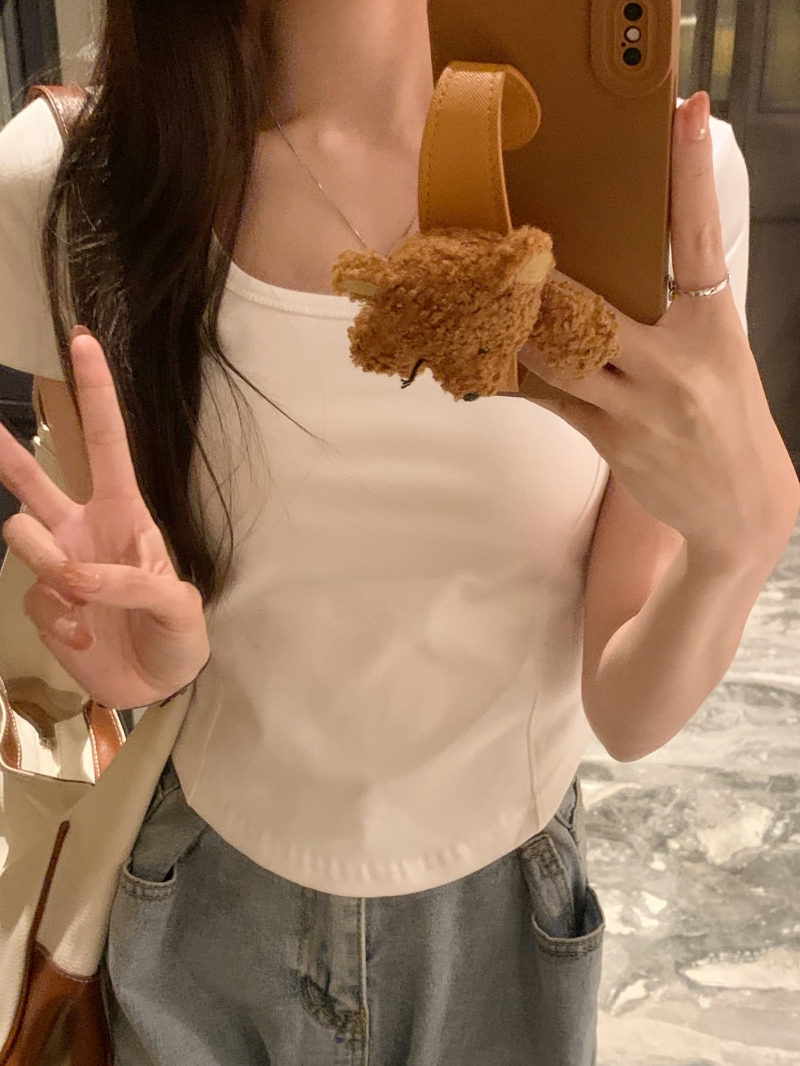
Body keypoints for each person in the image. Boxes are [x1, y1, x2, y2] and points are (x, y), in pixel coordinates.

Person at [0, 1, 797, 1063]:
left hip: (500, 927)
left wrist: (738, 546)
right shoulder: (71, 179)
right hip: (200, 902)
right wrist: (147, 664)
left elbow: (627, 705)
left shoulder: (661, 187)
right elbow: (141, 596)